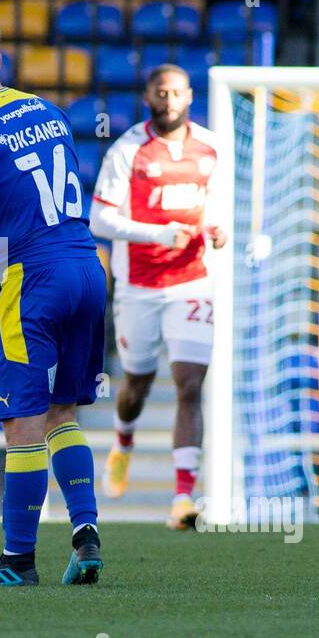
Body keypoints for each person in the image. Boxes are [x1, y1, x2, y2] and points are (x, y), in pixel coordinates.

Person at [0, 7, 107, 586]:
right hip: (86, 266)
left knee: (21, 422)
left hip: (33, 278)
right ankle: (85, 535)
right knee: (62, 413)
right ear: (0, 59)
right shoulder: (49, 111)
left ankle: (17, 562)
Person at [91, 64, 228, 530]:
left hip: (192, 282)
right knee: (137, 386)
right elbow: (99, 221)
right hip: (139, 288)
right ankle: (124, 439)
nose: (169, 100)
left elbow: (218, 204)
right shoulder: (127, 149)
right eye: (160, 92)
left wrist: (217, 226)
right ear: (148, 96)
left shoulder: (211, 147)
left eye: (176, 93)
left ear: (190, 96)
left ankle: (183, 497)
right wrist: (158, 232)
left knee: (191, 383)